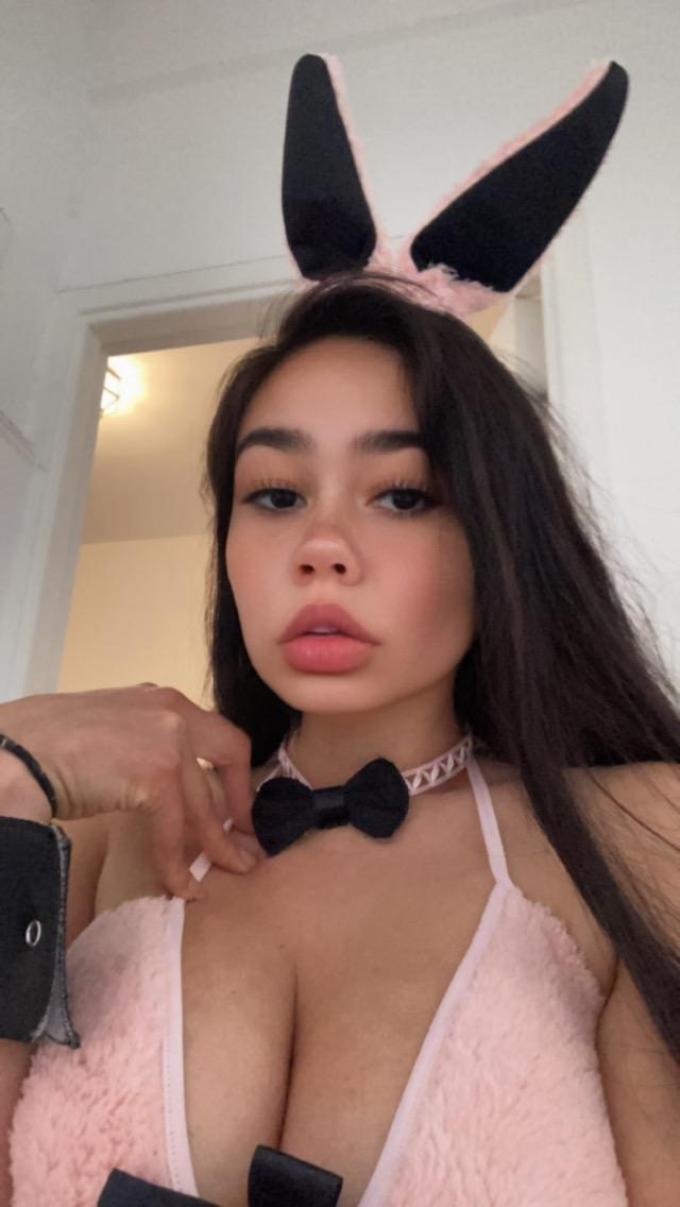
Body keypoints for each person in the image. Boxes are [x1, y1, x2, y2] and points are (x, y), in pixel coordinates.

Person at [2, 50, 680, 1207]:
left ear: (498, 537)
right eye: (274, 494)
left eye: (402, 495)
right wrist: (14, 762)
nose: (321, 545)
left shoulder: (637, 834)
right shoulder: (94, 851)